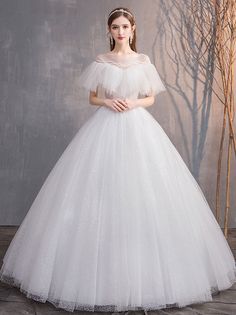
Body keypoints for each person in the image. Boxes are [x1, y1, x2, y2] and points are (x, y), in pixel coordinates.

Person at [0, 6, 236, 313]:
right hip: (105, 125)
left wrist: (135, 102)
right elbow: (92, 98)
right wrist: (108, 100)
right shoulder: (101, 60)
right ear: (109, 31)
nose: (121, 31)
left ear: (133, 29)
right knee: (98, 192)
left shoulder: (143, 61)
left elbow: (151, 96)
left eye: (125, 26)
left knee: (143, 192)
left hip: (139, 127)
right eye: (115, 27)